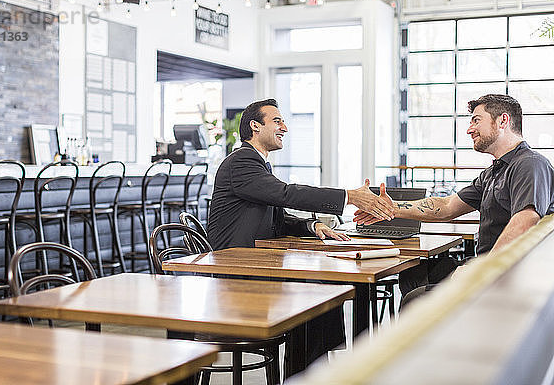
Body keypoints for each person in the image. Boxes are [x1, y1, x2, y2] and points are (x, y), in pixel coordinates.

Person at [207, 98, 395, 367]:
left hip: (257, 264)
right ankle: (309, 372)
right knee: (317, 294)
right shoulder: (242, 162)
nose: (285, 127)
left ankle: (311, 371)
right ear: (255, 127)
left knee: (325, 291)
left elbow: (277, 217)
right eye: (277, 121)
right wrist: (349, 196)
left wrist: (312, 226)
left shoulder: (258, 164)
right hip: (237, 275)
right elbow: (285, 194)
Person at [354, 94, 554, 299]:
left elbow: (525, 221)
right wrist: (393, 208)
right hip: (489, 266)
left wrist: (482, 270)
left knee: (415, 299)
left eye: (476, 120)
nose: (469, 129)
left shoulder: (530, 164)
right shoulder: (494, 172)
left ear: (503, 120)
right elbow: (448, 205)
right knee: (413, 275)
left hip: (509, 276)